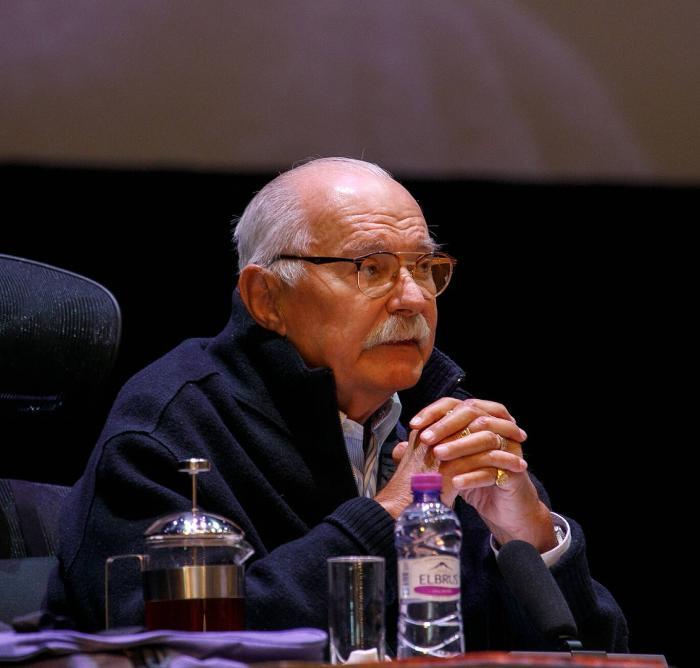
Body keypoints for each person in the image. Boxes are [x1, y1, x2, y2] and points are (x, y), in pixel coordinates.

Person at [50, 157, 627, 651]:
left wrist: (530, 537)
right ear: (267, 298)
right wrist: (391, 513)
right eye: (371, 269)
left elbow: (595, 653)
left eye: (425, 268)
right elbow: (167, 645)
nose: (412, 298)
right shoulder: (172, 425)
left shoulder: (447, 417)